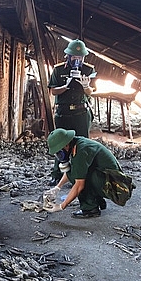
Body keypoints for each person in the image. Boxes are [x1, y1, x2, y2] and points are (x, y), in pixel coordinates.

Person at [44, 128, 123, 218]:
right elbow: (71, 172)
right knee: (77, 173)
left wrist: (62, 206)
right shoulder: (76, 143)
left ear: (65, 145)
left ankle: (90, 209)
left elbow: (79, 185)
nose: (58, 156)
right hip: (107, 178)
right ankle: (97, 201)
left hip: (116, 186)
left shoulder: (81, 151)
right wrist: (57, 187)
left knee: (80, 178)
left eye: (58, 152)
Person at [47, 39, 96, 185]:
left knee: (82, 144)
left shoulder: (88, 70)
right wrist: (65, 86)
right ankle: (57, 175)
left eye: (80, 58)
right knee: (60, 143)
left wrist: (85, 85)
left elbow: (91, 92)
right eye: (75, 57)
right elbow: (53, 90)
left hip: (81, 113)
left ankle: (82, 174)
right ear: (68, 56)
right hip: (63, 112)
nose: (78, 60)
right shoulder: (59, 70)